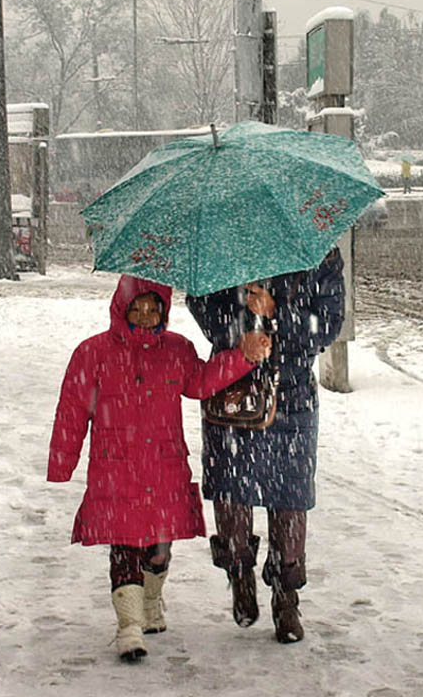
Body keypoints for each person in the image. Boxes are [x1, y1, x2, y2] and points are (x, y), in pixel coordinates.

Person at [47, 275, 270, 662]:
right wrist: (62, 461)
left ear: (164, 311)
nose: (146, 316)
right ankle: (129, 626)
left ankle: (151, 602)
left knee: (157, 551)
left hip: (163, 468)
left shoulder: (176, 349)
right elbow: (72, 411)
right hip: (115, 470)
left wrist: (244, 357)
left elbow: (200, 383)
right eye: (138, 308)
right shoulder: (93, 353)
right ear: (122, 309)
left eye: (154, 309)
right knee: (124, 550)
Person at [186, 247, 345, 643]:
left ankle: (286, 597)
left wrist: (276, 311)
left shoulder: (319, 253)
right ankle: (240, 574)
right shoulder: (219, 251)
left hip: (291, 393)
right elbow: (204, 311)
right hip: (233, 387)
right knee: (230, 490)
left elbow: (326, 325)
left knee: (290, 497)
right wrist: (243, 326)